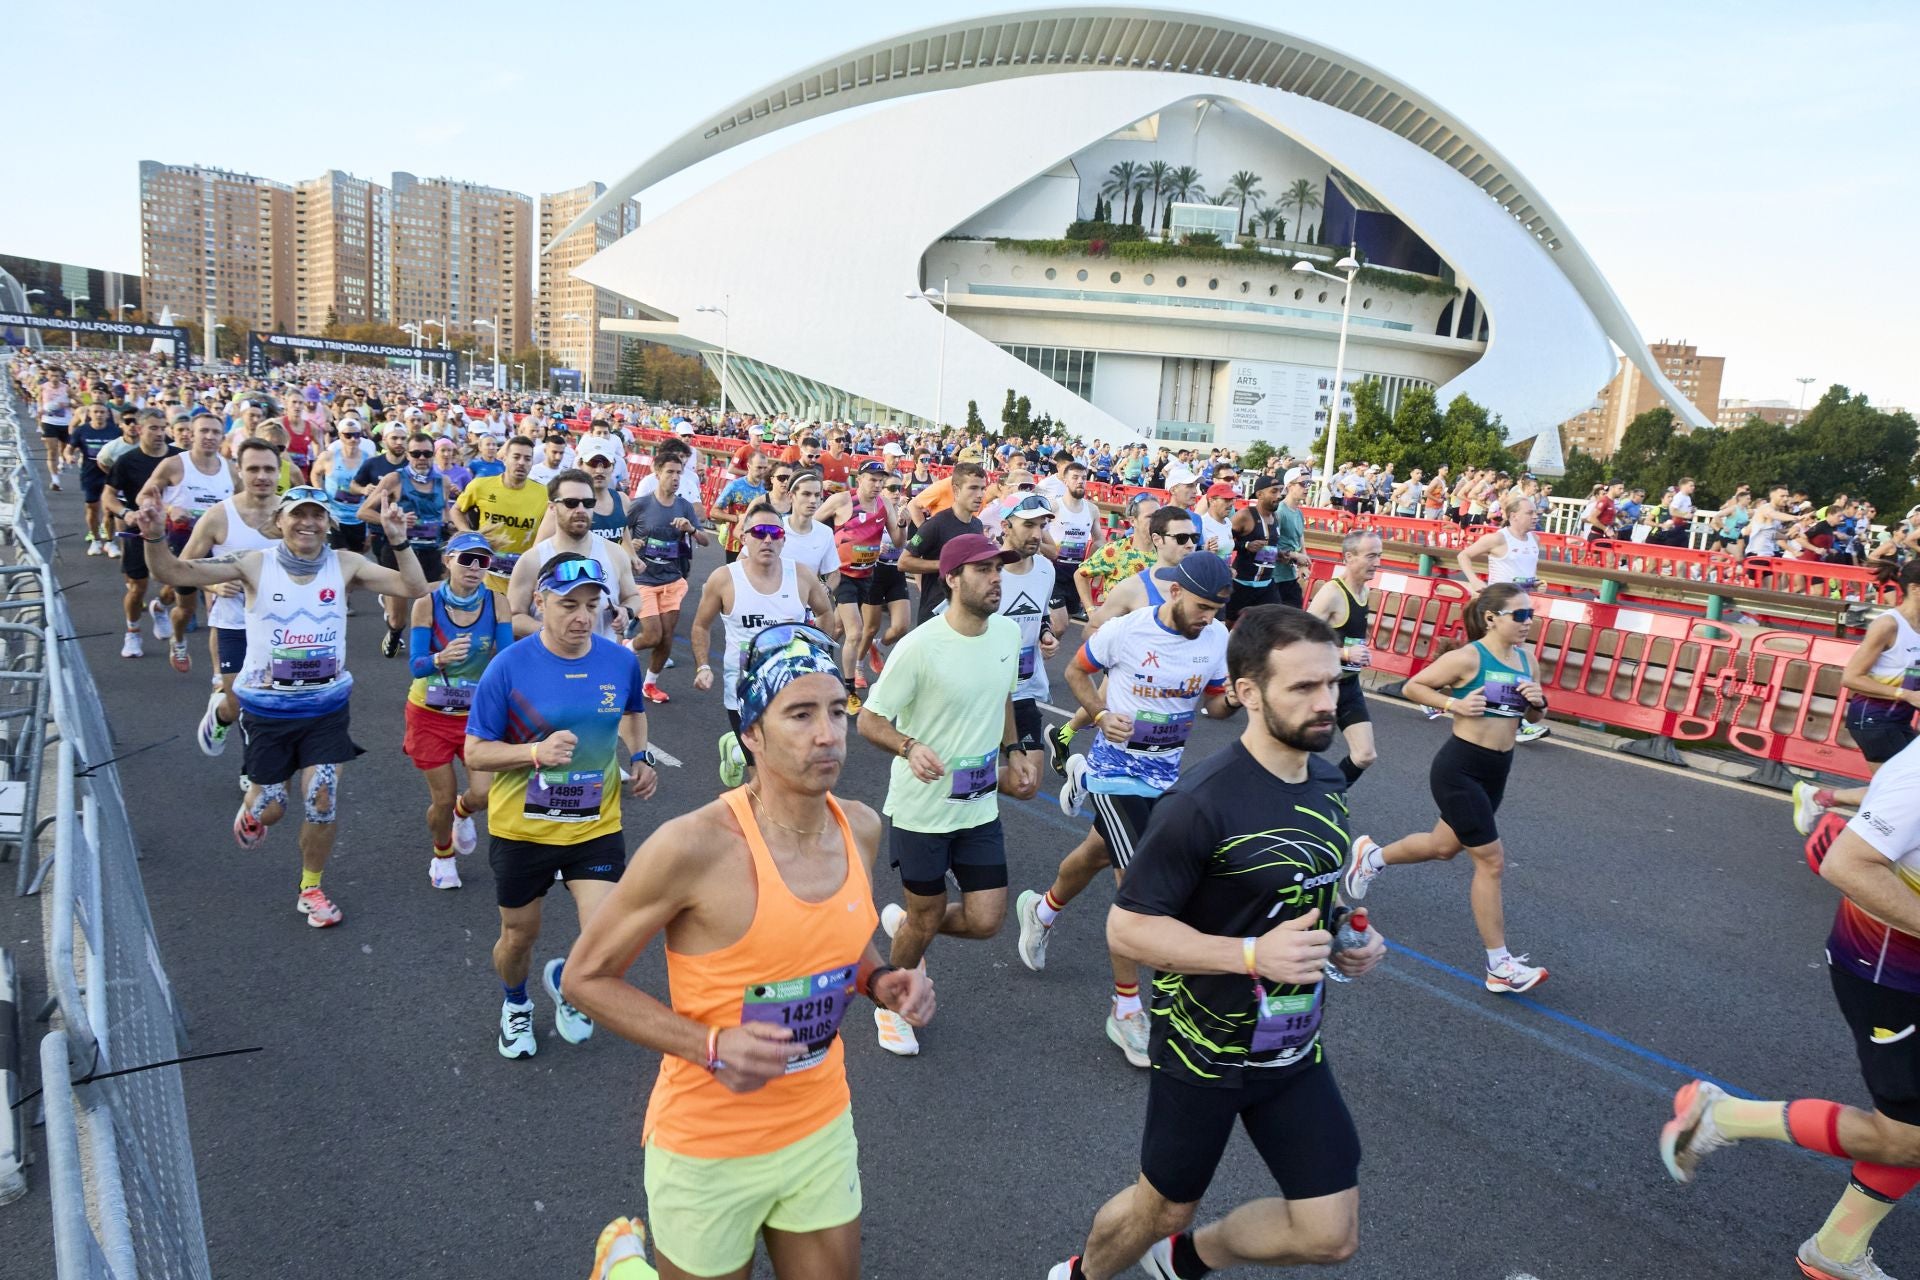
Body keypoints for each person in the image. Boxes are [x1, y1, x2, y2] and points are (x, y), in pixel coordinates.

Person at [563, 626, 933, 1280]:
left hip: (818, 1123)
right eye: (800, 713)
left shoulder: (862, 828)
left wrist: (881, 981)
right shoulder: (694, 848)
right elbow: (586, 979)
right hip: (708, 1142)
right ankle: (623, 1264)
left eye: (837, 710)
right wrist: (710, 1046)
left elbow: (841, 943)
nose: (828, 733)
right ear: (752, 735)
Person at [1047, 604, 1386, 1280]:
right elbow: (1128, 927)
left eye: (1332, 685)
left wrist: (1352, 941)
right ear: (1248, 693)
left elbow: (1297, 895)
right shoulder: (1200, 802)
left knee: (1330, 1234)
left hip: (1292, 1045)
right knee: (1165, 1205)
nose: (1326, 704)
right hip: (1204, 1047)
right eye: (1303, 688)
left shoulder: (1324, 781)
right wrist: (1252, 957)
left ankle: (1185, 1261)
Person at [1664, 736, 1920, 1280]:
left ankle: (1837, 1249)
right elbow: (1848, 865)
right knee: (1905, 1137)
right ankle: (1723, 1116)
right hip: (1890, 974)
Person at [131, 487, 428, 927]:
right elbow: (174, 570)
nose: (308, 523)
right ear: (280, 521)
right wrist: (154, 536)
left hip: (326, 709)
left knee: (321, 795)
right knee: (273, 806)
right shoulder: (255, 563)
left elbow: (413, 587)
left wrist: (399, 539)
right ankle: (255, 809)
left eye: (317, 515)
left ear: (329, 523)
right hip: (268, 712)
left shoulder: (345, 564)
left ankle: (311, 888)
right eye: (297, 515)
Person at [1018, 554, 1234, 1068]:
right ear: (1176, 592)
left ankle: (1042, 910)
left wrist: (1238, 697)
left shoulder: (1217, 638)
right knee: (1138, 888)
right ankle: (1127, 1008)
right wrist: (1099, 713)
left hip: (1165, 774)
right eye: (1202, 606)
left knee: (1096, 853)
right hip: (1115, 771)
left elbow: (1219, 705)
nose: (1207, 617)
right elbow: (1076, 669)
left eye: (1216, 609)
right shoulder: (1128, 631)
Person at [462, 552, 660, 1059]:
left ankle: (571, 986)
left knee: (608, 933)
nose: (582, 616)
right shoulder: (509, 667)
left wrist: (638, 756)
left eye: (592, 605)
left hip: (593, 823)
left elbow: (632, 713)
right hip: (522, 830)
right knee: (518, 936)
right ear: (539, 601)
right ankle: (515, 1004)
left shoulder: (617, 660)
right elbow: (476, 750)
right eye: (568, 604)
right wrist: (533, 752)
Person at [856, 533, 1034, 1056]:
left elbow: (1003, 694)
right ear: (952, 579)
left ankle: (911, 927)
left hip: (978, 804)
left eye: (999, 569)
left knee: (985, 921)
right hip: (922, 809)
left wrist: (1014, 749)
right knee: (929, 913)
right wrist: (907, 746)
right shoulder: (918, 647)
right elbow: (869, 719)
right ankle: (890, 1006)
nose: (996, 577)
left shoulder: (1005, 634)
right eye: (982, 570)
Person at [1343, 583, 1550, 992]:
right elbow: (1414, 686)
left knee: (1444, 847)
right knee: (1490, 861)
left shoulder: (1528, 659)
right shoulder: (1468, 657)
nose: (1529, 623)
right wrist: (1453, 705)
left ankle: (1373, 857)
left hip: (1497, 770)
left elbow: (1534, 712)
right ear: (1492, 618)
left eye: (1531, 615)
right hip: (1460, 769)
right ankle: (1499, 966)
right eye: (1520, 615)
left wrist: (1538, 702)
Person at [689, 500, 836, 787]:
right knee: (762, 772)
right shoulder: (724, 579)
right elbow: (700, 625)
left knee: (795, 761)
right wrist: (702, 666)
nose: (767, 539)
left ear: (783, 540)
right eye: (759, 532)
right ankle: (761, 824)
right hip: (744, 691)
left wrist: (819, 656)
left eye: (774, 533)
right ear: (743, 538)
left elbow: (825, 612)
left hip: (792, 687)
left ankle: (736, 749)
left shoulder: (802, 575)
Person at [404, 532, 513, 889]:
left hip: (477, 716)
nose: (476, 568)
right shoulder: (427, 604)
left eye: (483, 561)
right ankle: (442, 856)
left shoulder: (498, 603)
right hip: (429, 714)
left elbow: (506, 659)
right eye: (467, 559)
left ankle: (462, 814)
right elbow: (417, 666)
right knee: (442, 797)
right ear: (448, 560)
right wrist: (440, 657)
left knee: (483, 793)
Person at [1792, 559, 1920, 832]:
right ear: (1915, 588)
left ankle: (1819, 797)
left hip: (1898, 720)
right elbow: (1850, 678)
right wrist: (1905, 694)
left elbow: (1909, 671)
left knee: (1897, 789)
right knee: (1898, 793)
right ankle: (1862, 847)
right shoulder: (1888, 625)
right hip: (1873, 719)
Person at [181, 439, 280, 756]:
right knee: (238, 702)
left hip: (283, 628)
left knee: (270, 704)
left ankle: (252, 771)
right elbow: (185, 566)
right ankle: (221, 714)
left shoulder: (292, 514)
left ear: (280, 472)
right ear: (239, 471)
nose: (261, 475)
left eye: (268, 469)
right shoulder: (219, 516)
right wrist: (213, 586)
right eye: (253, 468)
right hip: (234, 624)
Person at [135, 412, 237, 671]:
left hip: (217, 544)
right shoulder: (174, 464)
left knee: (219, 604)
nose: (209, 437)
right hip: (183, 540)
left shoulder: (231, 469)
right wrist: (168, 509)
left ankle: (221, 674)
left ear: (222, 437)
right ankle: (177, 637)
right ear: (192, 433)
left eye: (215, 432)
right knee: (186, 607)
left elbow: (241, 505)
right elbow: (144, 496)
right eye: (204, 431)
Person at [357, 430, 461, 654]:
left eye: (426, 453)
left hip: (431, 553)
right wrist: (394, 523)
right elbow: (363, 512)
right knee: (397, 618)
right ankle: (394, 634)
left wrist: (451, 527)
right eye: (416, 453)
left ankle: (431, 653)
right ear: (408, 454)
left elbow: (444, 514)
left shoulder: (442, 481)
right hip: (400, 554)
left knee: (435, 608)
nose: (422, 458)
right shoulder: (395, 479)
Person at [993, 493, 1065, 804]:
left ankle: (965, 782)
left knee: (1026, 784)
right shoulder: (984, 569)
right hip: (980, 693)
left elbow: (1041, 615)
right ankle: (955, 782)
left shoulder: (1046, 569)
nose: (1037, 534)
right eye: (1028, 525)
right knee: (961, 774)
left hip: (1022, 691)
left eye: (1042, 525)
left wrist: (1046, 634)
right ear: (1005, 525)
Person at [814, 461, 902, 711]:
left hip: (867, 575)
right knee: (856, 631)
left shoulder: (884, 505)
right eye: (872, 479)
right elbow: (812, 525)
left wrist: (903, 526)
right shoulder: (842, 501)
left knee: (837, 626)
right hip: (841, 575)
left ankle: (815, 660)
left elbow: (897, 540)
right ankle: (849, 691)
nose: (877, 485)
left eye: (880, 480)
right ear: (859, 478)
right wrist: (824, 554)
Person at [621, 455, 710, 702]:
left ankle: (650, 684)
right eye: (670, 472)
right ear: (657, 474)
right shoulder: (640, 505)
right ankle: (623, 651)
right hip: (644, 580)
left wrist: (691, 530)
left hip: (672, 579)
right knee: (652, 635)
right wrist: (631, 546)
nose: (675, 478)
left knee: (667, 637)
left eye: (679, 473)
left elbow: (705, 540)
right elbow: (620, 536)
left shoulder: (684, 507)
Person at [100, 409, 182, 659]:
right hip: (140, 530)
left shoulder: (179, 458)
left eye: (162, 428)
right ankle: (133, 632)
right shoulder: (127, 460)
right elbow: (108, 496)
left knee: (177, 584)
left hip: (173, 531)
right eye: (153, 428)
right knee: (137, 588)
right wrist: (126, 514)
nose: (159, 433)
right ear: (139, 429)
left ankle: (161, 607)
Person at [1306, 530, 1382, 786]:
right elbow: (1300, 641)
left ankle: (1329, 795)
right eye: (1371, 556)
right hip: (1321, 686)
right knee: (1296, 754)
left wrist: (1357, 651)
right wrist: (1344, 653)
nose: (1377, 563)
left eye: (1379, 556)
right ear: (1349, 557)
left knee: (1365, 755)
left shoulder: (1364, 591)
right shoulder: (1332, 594)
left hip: (1348, 684)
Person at [452, 435, 548, 594]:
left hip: (521, 576)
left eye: (527, 459)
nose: (521, 463)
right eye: (516, 457)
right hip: (485, 574)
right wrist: (469, 535)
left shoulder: (543, 493)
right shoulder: (480, 486)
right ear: (504, 459)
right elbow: (456, 510)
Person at [898, 460, 987, 625]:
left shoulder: (977, 525)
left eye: (983, 488)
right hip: (935, 612)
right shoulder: (935, 524)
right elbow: (903, 562)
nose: (980, 495)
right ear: (956, 490)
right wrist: (946, 564)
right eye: (973, 488)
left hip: (964, 612)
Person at [1075, 494, 1160, 617]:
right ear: (1132, 521)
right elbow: (1080, 575)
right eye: (1150, 517)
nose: (1156, 521)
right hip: (1116, 628)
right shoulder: (1114, 551)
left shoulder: (1166, 553)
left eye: (1158, 516)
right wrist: (1090, 610)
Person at [65, 402, 125, 555]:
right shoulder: (82, 430)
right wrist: (68, 456)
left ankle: (110, 542)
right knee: (92, 508)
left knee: (109, 509)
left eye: (102, 412)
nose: (99, 414)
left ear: (107, 414)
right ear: (89, 414)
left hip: (110, 473)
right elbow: (69, 448)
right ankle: (96, 540)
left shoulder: (115, 431)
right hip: (90, 473)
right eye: (96, 412)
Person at [309, 413, 374, 554]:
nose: (353, 439)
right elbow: (315, 473)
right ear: (340, 435)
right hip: (335, 517)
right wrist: (320, 492)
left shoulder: (368, 460)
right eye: (348, 435)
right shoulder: (329, 457)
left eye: (357, 435)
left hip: (358, 519)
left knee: (356, 558)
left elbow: (374, 490)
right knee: (339, 556)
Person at [1226, 476, 1286, 624]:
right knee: (1229, 625)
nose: (1279, 496)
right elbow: (1224, 541)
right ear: (1260, 495)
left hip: (1266, 585)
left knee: (1275, 624)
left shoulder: (1275, 517)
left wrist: (1280, 554)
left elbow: (1268, 549)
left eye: (1280, 491)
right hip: (1242, 584)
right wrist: (1245, 545)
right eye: (1273, 491)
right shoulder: (1245, 515)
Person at [1049, 460, 1099, 619]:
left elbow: (1099, 540)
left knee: (1066, 621)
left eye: (1084, 478)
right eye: (1075, 477)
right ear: (1065, 481)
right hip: (1053, 571)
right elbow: (1038, 531)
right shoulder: (1053, 506)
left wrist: (1088, 564)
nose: (1080, 481)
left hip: (1075, 573)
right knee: (1059, 623)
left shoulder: (1092, 509)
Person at [710, 449, 771, 563]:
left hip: (759, 542)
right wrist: (737, 518)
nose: (762, 471)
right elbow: (714, 512)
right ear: (748, 466)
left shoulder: (767, 488)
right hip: (735, 543)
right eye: (759, 468)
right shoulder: (735, 486)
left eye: (765, 468)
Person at [37, 369, 73, 489]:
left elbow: (80, 402)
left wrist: (67, 404)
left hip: (65, 423)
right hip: (49, 422)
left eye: (57, 376)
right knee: (51, 451)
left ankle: (62, 460)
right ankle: (55, 480)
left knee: (63, 449)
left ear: (60, 376)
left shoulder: (66, 388)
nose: (54, 378)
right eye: (52, 375)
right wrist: (40, 423)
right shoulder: (43, 388)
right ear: (47, 376)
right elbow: (39, 405)